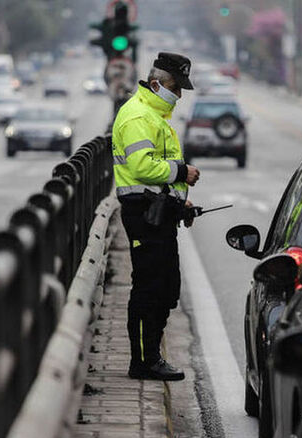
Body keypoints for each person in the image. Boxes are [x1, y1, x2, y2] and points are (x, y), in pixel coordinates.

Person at [112, 52, 201, 381]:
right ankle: (143, 361)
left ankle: (152, 356)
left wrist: (181, 206)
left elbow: (157, 181)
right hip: (143, 215)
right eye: (176, 89)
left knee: (166, 288)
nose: (178, 96)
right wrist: (182, 171)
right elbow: (141, 168)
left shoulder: (154, 116)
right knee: (149, 287)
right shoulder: (138, 116)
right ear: (156, 84)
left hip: (158, 214)